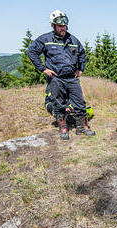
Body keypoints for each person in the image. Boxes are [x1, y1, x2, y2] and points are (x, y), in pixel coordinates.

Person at [27, 10, 95, 140]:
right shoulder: (45, 39)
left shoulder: (73, 40)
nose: (62, 27)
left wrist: (81, 69)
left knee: (79, 103)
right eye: (59, 25)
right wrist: (43, 68)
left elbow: (82, 54)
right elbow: (31, 51)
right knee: (58, 104)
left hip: (72, 78)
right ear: (53, 25)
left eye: (64, 24)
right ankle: (63, 128)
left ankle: (82, 127)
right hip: (56, 79)